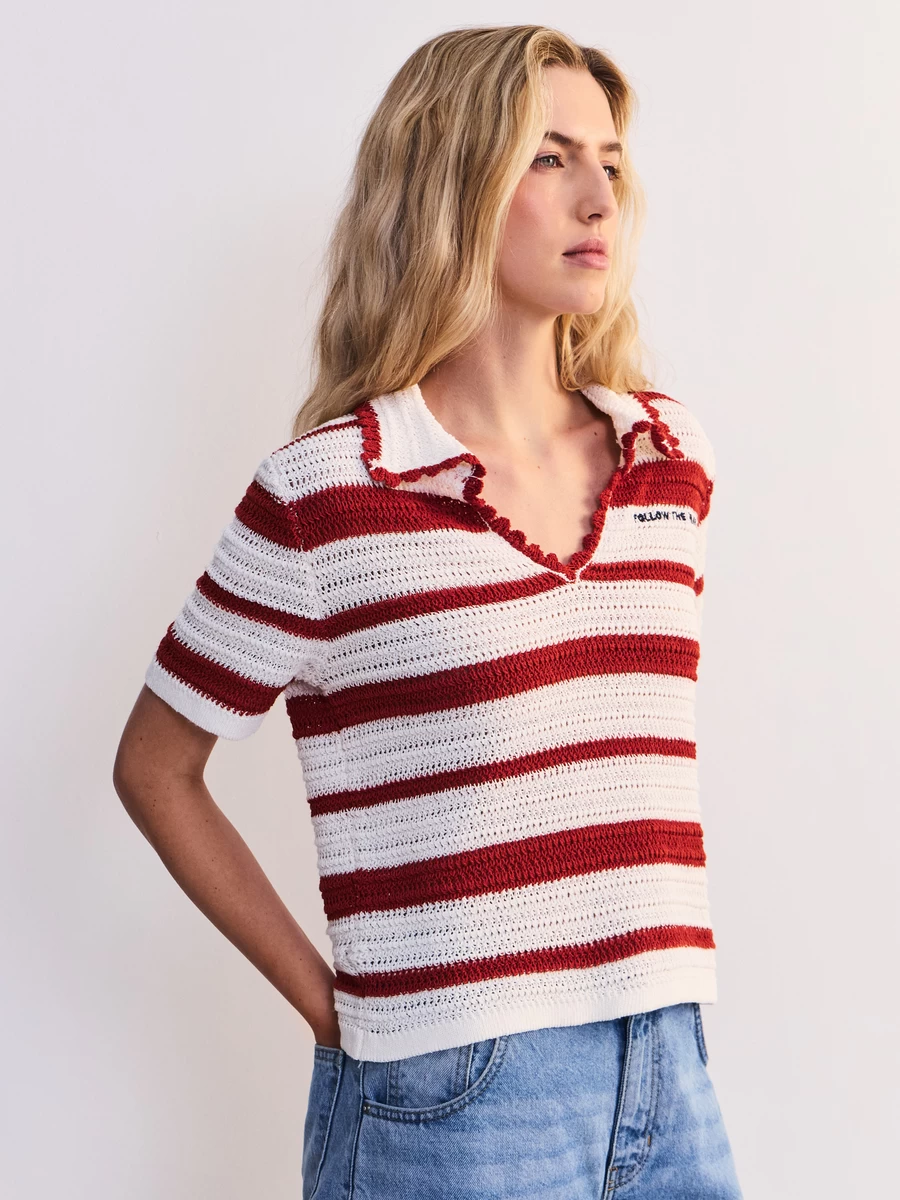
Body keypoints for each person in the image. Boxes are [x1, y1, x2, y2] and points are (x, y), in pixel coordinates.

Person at [113, 24, 743, 1200]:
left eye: (610, 160)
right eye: (549, 157)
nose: (598, 196)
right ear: (454, 182)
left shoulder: (670, 456)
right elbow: (156, 768)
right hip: (451, 1096)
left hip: (672, 1063)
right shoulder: (327, 495)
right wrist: (332, 1005)